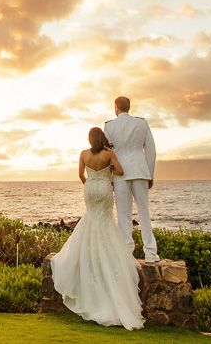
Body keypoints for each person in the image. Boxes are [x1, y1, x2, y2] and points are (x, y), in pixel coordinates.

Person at [50, 127, 145, 330]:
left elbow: (80, 175)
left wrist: (89, 182)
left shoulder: (83, 154)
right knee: (104, 221)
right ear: (102, 139)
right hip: (103, 189)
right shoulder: (108, 154)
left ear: (89, 139)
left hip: (90, 189)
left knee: (91, 219)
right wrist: (109, 171)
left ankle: (89, 256)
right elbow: (121, 171)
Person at [104, 96, 159, 263]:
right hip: (140, 171)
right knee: (144, 212)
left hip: (120, 173)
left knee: (123, 214)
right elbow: (151, 150)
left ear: (116, 108)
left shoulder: (109, 126)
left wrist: (110, 177)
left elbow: (107, 153)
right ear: (129, 107)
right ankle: (150, 252)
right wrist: (150, 173)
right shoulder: (142, 123)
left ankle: (127, 252)